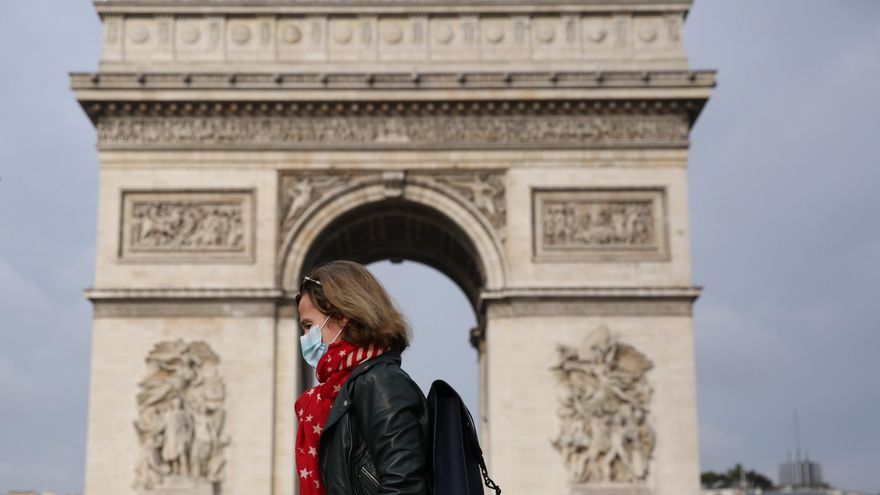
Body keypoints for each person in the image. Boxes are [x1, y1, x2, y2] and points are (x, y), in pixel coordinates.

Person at [293, 260, 431, 495]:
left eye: (309, 325)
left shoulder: (380, 383)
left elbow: (404, 487)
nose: (305, 337)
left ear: (342, 316)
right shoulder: (341, 389)